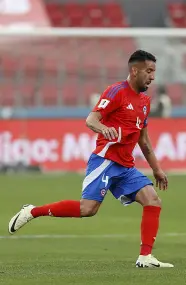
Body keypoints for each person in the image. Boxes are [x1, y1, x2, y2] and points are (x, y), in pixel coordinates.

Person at [7, 50, 173, 268]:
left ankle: (145, 257)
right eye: (149, 71)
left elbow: (144, 141)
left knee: (152, 199)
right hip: (105, 161)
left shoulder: (145, 102)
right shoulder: (116, 92)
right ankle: (32, 211)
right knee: (88, 209)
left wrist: (157, 169)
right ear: (134, 71)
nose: (152, 77)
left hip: (125, 166)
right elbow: (91, 119)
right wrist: (105, 129)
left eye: (154, 72)